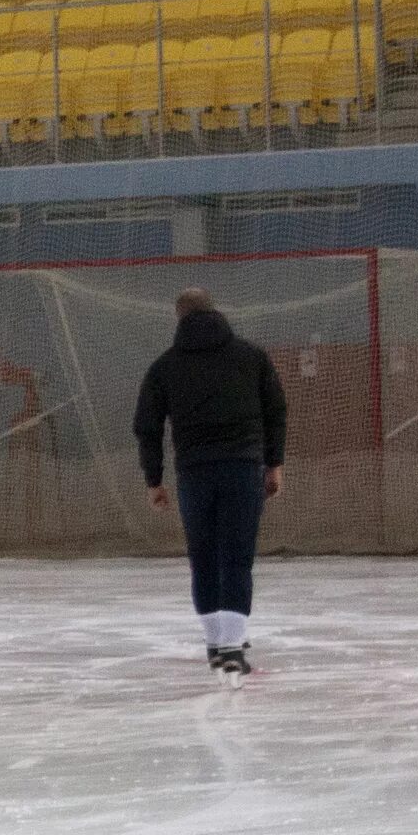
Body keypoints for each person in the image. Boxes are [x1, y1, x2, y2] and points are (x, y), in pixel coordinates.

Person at [135, 287, 287, 680]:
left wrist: (154, 480)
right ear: (215, 311)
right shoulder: (250, 356)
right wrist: (274, 464)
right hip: (242, 468)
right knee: (237, 556)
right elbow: (275, 411)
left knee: (202, 557)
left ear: (178, 317)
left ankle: (216, 645)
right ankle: (234, 648)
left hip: (194, 473)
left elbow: (147, 427)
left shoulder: (164, 366)